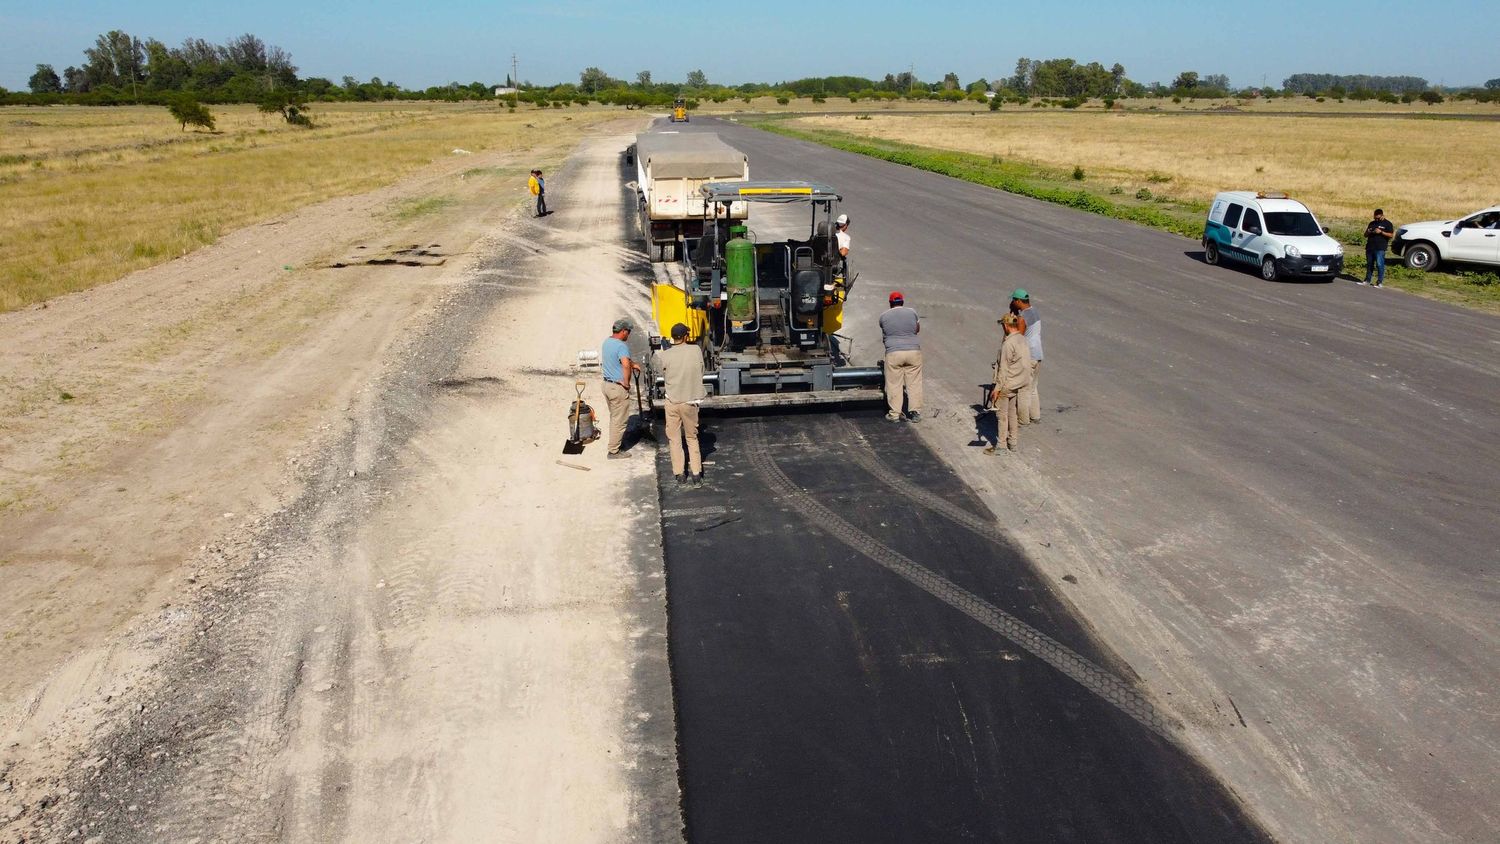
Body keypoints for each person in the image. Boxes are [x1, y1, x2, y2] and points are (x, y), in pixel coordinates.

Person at [658, 322, 706, 486]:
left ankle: (679, 475)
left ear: (673, 337)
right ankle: (696, 474)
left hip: (672, 401)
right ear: (686, 336)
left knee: (675, 439)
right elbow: (701, 370)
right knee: (692, 437)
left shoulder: (666, 355)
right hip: (690, 401)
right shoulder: (695, 350)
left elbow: (659, 371)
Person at [987, 313, 1032, 454]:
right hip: (1019, 383)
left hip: (1008, 384)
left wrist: (996, 388)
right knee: (1013, 413)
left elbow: (1003, 369)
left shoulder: (1008, 343)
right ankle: (1013, 442)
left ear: (1006, 325)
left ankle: (1001, 445)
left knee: (1001, 415)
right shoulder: (1022, 339)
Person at [878, 291, 922, 422]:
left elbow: (885, 331)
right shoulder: (912, 312)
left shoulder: (883, 316)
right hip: (913, 351)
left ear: (890, 303)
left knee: (894, 384)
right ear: (902, 302)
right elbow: (916, 329)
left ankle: (895, 414)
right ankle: (915, 413)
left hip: (893, 353)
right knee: (914, 383)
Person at [600, 318, 639, 458]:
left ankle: (614, 443)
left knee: (614, 417)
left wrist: (633, 364)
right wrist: (626, 382)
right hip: (617, 388)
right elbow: (625, 364)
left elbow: (622, 360)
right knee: (620, 421)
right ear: (623, 331)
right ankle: (613, 451)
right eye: (628, 332)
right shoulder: (621, 346)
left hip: (606, 386)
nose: (628, 335)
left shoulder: (607, 342)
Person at [1009, 288, 1042, 425]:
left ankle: (1023, 420)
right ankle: (1035, 416)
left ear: (1018, 301)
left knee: (1023, 390)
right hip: (1038, 354)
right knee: (1033, 387)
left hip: (1029, 356)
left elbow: (1019, 338)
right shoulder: (1035, 312)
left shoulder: (1023, 318)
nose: (1012, 303)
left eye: (1013, 300)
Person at [1362, 208, 1394, 287]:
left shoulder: (1387, 224)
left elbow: (1391, 235)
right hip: (1370, 247)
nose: (1376, 219)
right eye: (1375, 217)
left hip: (1380, 248)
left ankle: (1379, 282)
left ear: (1382, 215)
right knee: (1369, 264)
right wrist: (1368, 232)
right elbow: (1365, 235)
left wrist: (1381, 232)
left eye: (1378, 218)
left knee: (1380, 264)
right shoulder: (1372, 223)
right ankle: (1367, 280)